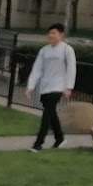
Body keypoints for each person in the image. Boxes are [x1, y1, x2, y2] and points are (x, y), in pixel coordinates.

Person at [26, 23, 77, 152]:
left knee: (47, 114)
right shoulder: (44, 51)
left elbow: (71, 69)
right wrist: (30, 86)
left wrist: (68, 87)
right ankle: (60, 138)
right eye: (50, 33)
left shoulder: (67, 50)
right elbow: (37, 69)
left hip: (58, 87)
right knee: (51, 113)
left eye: (54, 33)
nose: (51, 35)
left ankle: (38, 143)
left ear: (61, 35)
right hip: (45, 86)